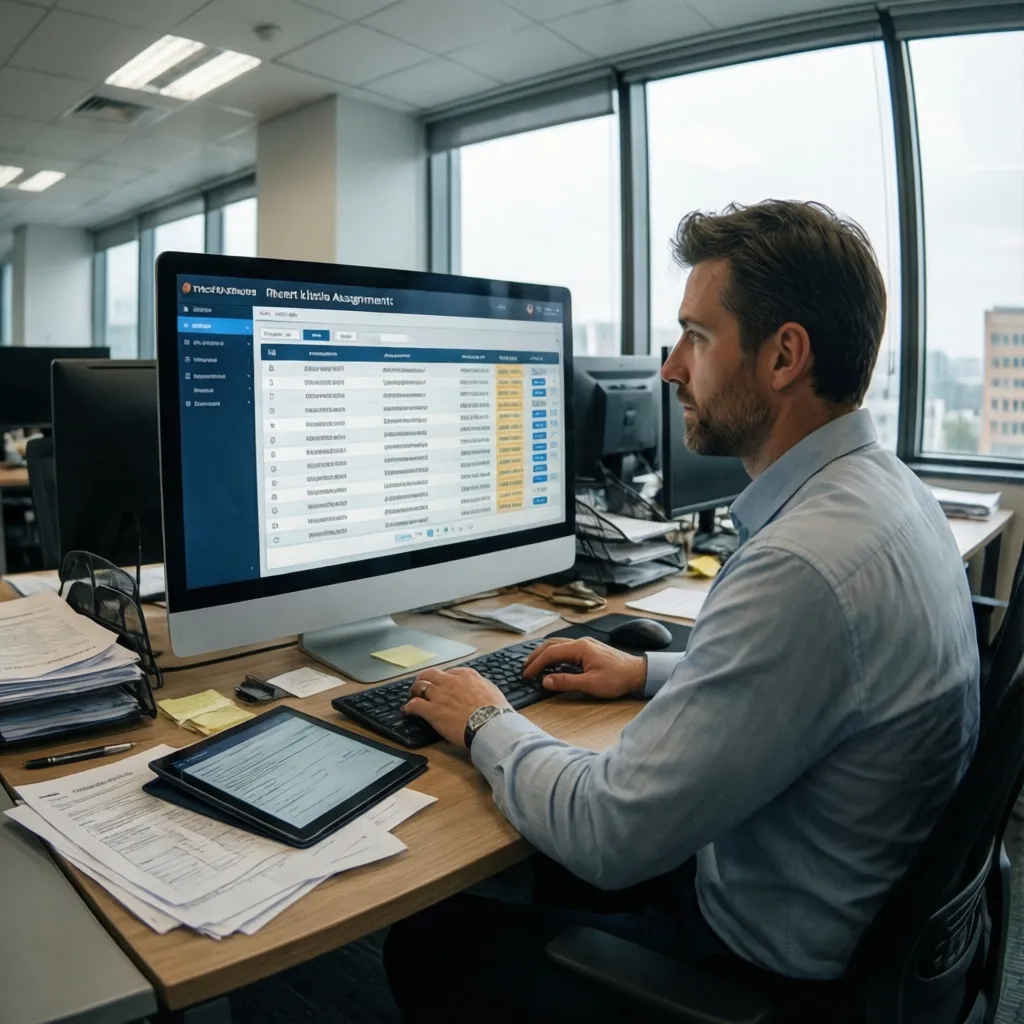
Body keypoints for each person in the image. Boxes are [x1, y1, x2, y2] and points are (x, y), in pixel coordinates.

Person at [383, 200, 980, 1022]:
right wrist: (646, 670)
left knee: (427, 942)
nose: (670, 368)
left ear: (784, 356)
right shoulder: (889, 495)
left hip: (762, 979)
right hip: (869, 929)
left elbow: (605, 832)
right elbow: (828, 679)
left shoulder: (801, 567)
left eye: (696, 337)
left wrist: (485, 718)